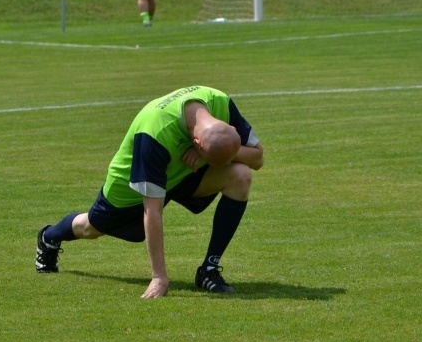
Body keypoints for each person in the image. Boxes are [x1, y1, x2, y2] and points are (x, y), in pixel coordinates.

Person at [35, 86, 265, 299]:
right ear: (198, 141)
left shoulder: (220, 102)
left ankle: (209, 269)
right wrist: (159, 277)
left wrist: (205, 153)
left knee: (240, 175)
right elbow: (152, 210)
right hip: (129, 188)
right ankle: (49, 237)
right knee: (90, 228)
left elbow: (257, 158)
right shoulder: (154, 133)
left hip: (185, 173)